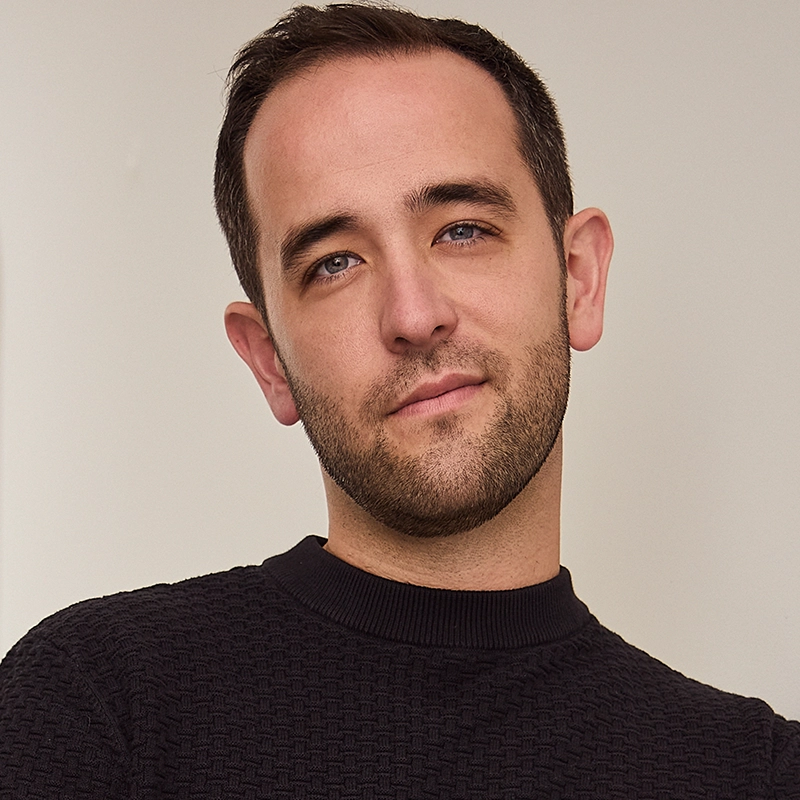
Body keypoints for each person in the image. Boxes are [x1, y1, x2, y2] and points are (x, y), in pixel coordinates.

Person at [1, 3, 798, 797]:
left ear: (579, 280)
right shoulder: (97, 708)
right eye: (335, 263)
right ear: (269, 359)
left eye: (462, 230)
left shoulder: (757, 774)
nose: (414, 315)